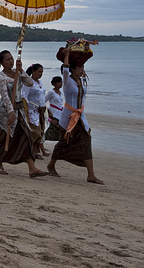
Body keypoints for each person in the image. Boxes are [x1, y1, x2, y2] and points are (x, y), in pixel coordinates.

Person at [46, 46, 104, 184]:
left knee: (86, 140)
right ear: (72, 69)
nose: (82, 69)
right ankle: (51, 165)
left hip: (80, 117)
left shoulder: (82, 81)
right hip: (68, 117)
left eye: (83, 67)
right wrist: (66, 55)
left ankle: (91, 175)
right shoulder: (67, 81)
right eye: (79, 67)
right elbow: (65, 68)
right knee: (63, 143)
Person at [0, 50, 47, 177]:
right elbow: (5, 96)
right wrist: (11, 112)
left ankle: (32, 168)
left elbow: (29, 82)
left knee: (25, 136)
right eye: (8, 60)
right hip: (5, 112)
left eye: (12, 58)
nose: (11, 61)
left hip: (19, 109)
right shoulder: (1, 78)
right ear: (1, 63)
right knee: (2, 138)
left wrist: (21, 70)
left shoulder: (17, 73)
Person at [22, 63, 51, 158]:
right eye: (39, 72)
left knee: (41, 132)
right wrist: (34, 106)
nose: (41, 74)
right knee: (35, 132)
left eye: (42, 72)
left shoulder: (40, 83)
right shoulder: (28, 83)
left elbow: (42, 96)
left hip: (41, 112)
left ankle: (35, 152)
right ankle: (31, 151)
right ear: (33, 72)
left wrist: (44, 106)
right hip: (32, 111)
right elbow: (24, 97)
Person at [44, 75, 64, 141]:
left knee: (58, 130)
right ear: (54, 83)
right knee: (53, 129)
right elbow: (44, 101)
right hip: (53, 113)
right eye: (59, 82)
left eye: (61, 82)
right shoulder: (51, 92)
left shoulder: (61, 93)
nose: (61, 84)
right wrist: (48, 111)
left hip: (60, 113)